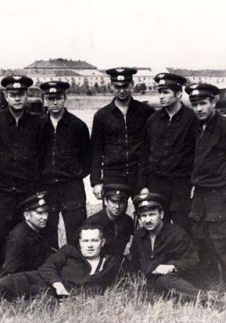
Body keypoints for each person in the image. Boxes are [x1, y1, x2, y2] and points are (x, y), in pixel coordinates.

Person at [0, 75, 48, 282]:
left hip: (27, 191)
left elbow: (42, 153)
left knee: (24, 234)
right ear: (6, 96)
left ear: (27, 96)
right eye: (13, 95)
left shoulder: (37, 122)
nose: (17, 99)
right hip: (1, 190)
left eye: (21, 95)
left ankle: (20, 275)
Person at [0, 224, 120, 313]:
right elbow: (48, 267)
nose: (90, 245)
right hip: (39, 280)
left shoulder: (108, 264)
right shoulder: (69, 251)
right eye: (85, 241)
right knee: (7, 283)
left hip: (53, 298)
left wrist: (69, 297)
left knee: (32, 306)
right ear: (80, 243)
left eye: (94, 240)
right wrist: (58, 285)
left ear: (103, 242)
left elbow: (97, 287)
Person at [185, 83, 226, 286]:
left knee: (221, 241)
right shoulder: (197, 126)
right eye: (194, 105)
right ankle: (210, 280)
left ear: (214, 102)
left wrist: (225, 185)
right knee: (200, 236)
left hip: (221, 192)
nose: (199, 109)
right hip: (200, 192)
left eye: (203, 103)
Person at [139, 73, 198, 234]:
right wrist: (144, 185)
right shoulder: (153, 120)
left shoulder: (192, 119)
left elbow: (198, 153)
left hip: (182, 184)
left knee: (183, 227)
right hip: (157, 184)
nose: (161, 97)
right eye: (160, 92)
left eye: (166, 92)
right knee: (158, 227)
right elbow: (144, 153)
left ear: (179, 94)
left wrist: (194, 183)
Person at [40, 81, 92, 249]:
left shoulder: (78, 126)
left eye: (58, 98)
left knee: (76, 230)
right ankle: (50, 270)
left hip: (71, 186)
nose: (54, 102)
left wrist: (73, 173)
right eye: (50, 98)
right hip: (46, 186)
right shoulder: (38, 125)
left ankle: (76, 269)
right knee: (47, 232)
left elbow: (87, 158)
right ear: (44, 100)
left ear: (65, 98)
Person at [90, 67, 154, 200]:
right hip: (113, 175)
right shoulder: (102, 116)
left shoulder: (146, 112)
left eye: (125, 86)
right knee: (113, 217)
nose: (121, 90)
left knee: (146, 214)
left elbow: (152, 145)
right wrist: (96, 182)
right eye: (117, 86)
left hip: (139, 174)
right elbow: (96, 151)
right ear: (111, 86)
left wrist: (148, 179)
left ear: (132, 85)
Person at [129, 193, 200, 300]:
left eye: (152, 215)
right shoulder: (139, 236)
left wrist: (172, 266)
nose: (147, 220)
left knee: (164, 280)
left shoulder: (176, 234)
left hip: (178, 280)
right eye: (143, 216)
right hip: (152, 282)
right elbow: (134, 261)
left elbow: (193, 260)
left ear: (161, 214)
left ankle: (205, 300)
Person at [1, 192, 52, 276]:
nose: (45, 217)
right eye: (40, 213)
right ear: (27, 215)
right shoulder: (18, 239)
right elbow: (10, 273)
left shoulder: (39, 229)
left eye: (46, 212)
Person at [83, 184, 134, 256]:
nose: (117, 206)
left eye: (121, 202)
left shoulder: (127, 221)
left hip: (119, 263)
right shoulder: (93, 223)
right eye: (113, 201)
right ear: (105, 201)